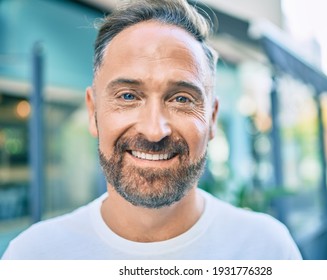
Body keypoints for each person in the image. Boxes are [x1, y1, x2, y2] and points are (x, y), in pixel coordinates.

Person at [1, 0, 301, 260]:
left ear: (211, 119)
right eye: (128, 96)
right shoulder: (32, 257)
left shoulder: (268, 250)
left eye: (182, 99)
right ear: (93, 112)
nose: (154, 130)